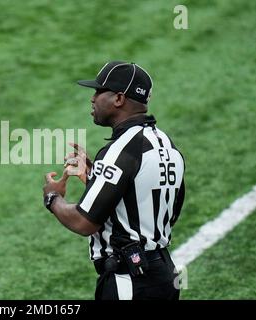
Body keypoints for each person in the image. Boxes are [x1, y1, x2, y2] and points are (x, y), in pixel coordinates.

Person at [43, 61, 185, 300]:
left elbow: (83, 222)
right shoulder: (167, 145)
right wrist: (95, 176)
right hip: (164, 275)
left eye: (99, 92)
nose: (93, 99)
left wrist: (52, 197)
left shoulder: (120, 151)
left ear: (119, 99)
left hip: (129, 281)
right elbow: (156, 207)